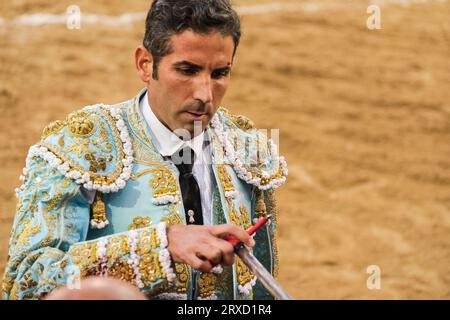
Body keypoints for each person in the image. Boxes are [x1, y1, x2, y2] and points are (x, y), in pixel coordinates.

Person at [1, 0, 288, 300]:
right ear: (145, 64)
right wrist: (161, 245)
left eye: (219, 74)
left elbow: (262, 286)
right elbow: (25, 282)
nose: (205, 95)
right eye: (187, 70)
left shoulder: (247, 150)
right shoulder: (80, 147)